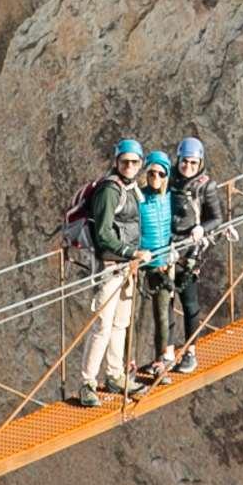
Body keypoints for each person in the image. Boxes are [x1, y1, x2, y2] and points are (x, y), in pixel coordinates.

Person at [59, 139, 146, 407]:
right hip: (110, 265)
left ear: (139, 163)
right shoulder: (111, 190)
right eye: (124, 162)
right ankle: (87, 382)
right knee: (102, 325)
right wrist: (131, 253)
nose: (129, 166)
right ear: (116, 162)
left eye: (134, 162)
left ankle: (115, 374)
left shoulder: (131, 189)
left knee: (120, 324)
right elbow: (104, 234)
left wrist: (132, 257)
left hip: (126, 265)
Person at [153, 137, 224, 377]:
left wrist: (202, 229)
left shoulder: (206, 186)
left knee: (189, 301)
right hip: (166, 246)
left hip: (189, 249)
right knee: (166, 302)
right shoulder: (168, 178)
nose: (188, 167)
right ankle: (168, 353)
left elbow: (217, 218)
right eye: (185, 161)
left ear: (200, 161)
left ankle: (191, 351)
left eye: (193, 163)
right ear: (179, 159)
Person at [130, 152, 180, 378]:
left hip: (162, 264)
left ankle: (160, 361)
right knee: (132, 318)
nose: (155, 177)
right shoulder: (138, 197)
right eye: (151, 172)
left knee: (161, 315)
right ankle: (128, 364)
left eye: (161, 173)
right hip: (140, 263)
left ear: (167, 175)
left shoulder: (171, 196)